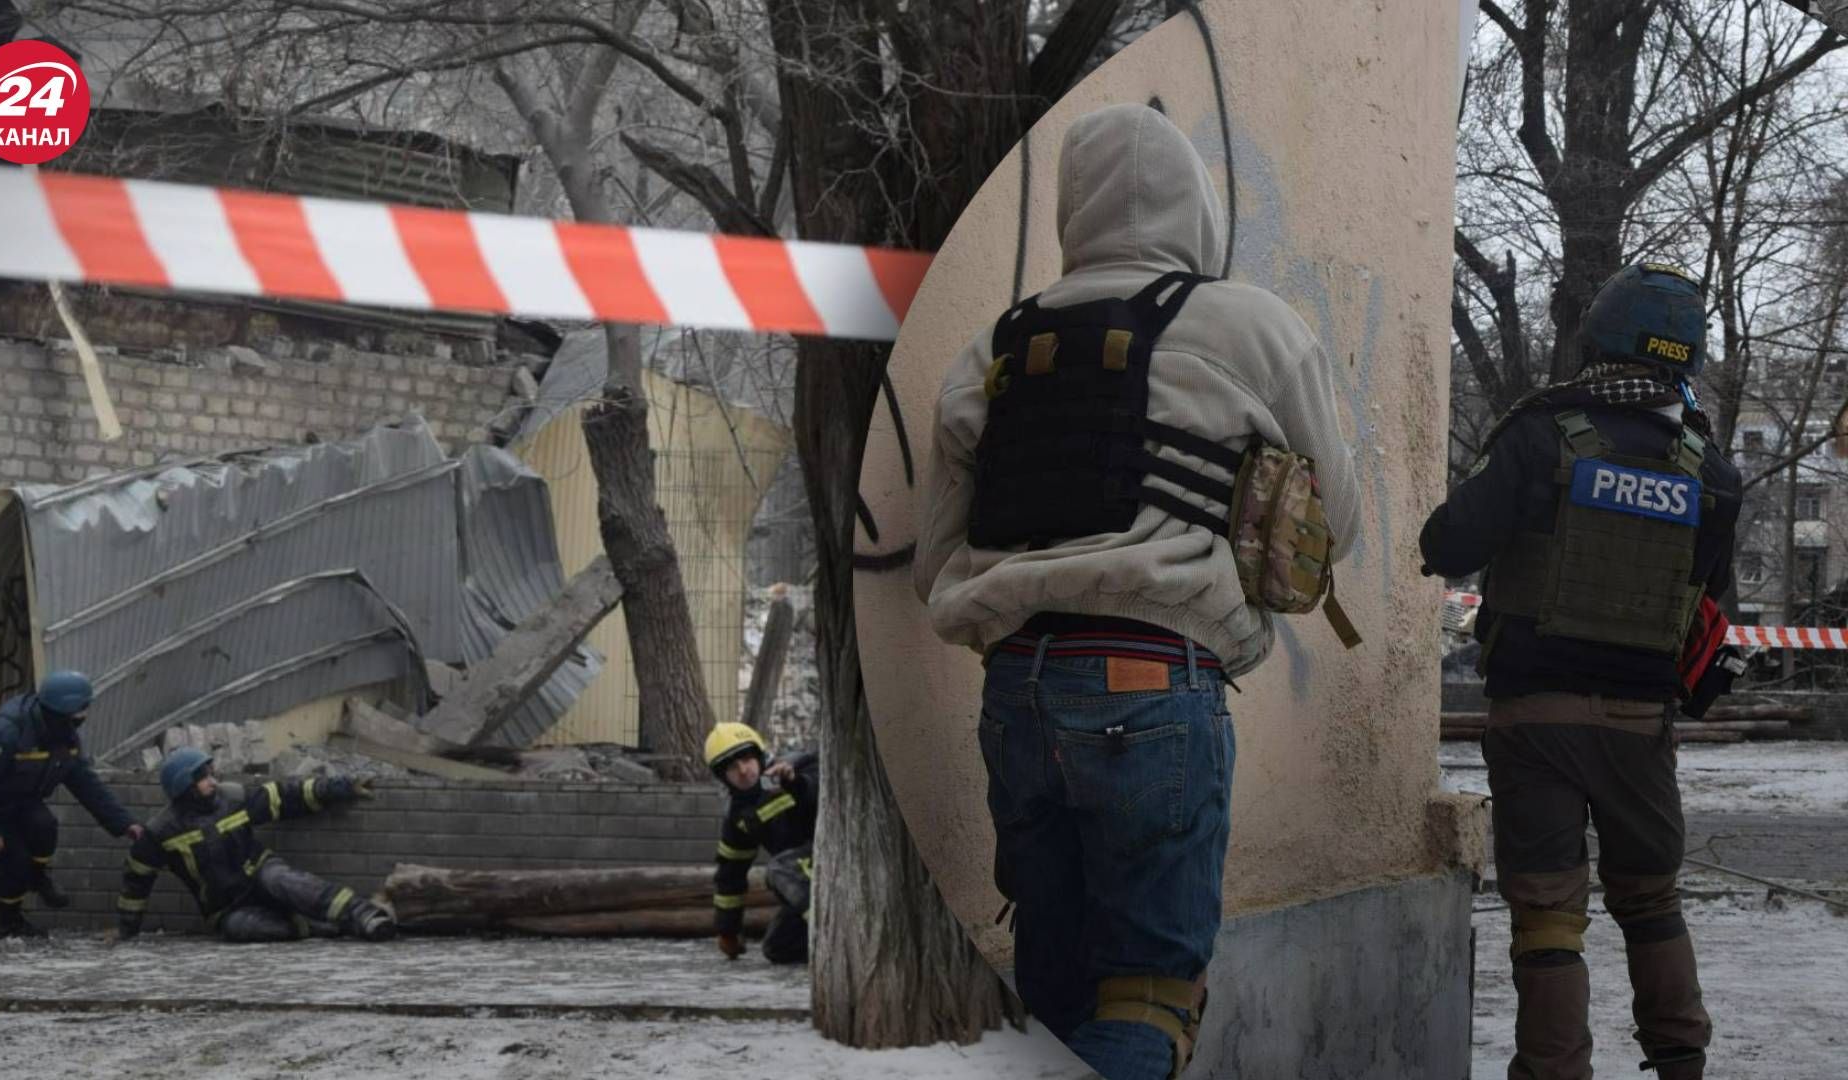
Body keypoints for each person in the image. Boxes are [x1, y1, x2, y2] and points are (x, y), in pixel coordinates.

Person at [913, 103, 1361, 1080]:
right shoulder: (1253, 326)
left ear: (1071, 209)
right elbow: (1339, 520)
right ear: (1193, 203)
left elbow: (933, 558)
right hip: (1154, 685)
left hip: (1017, 691)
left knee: (1053, 985)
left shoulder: (993, 347)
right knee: (1149, 995)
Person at [1419, 262, 1741, 1080]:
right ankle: (1682, 1063)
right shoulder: (1711, 472)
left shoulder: (1538, 434)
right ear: (1685, 357)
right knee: (1652, 899)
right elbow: (1709, 605)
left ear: (1597, 339)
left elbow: (1448, 544)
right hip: (1641, 727)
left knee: (1549, 915)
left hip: (1535, 720)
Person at [116, 747, 396, 943]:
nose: (213, 781)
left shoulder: (233, 798)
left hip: (261, 873)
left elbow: (285, 797)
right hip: (227, 908)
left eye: (211, 774)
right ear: (184, 785)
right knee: (239, 929)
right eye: (204, 777)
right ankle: (314, 927)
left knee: (283, 880)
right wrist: (127, 932)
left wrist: (339, 787)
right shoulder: (161, 832)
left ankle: (364, 915)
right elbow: (136, 880)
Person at [0, 670, 142, 939]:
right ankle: (9, 923)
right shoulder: (5, 732)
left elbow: (86, 784)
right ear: (62, 712)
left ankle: (37, 877)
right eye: (80, 710)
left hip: (18, 798)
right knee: (14, 859)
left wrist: (125, 823)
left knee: (45, 825)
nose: (84, 716)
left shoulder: (66, 737)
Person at [704, 722, 815, 965]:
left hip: (839, 865)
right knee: (779, 947)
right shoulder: (739, 816)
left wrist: (795, 783)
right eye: (732, 767)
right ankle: (827, 947)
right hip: (808, 880)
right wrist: (728, 931)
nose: (743, 771)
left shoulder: (798, 767)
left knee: (780, 869)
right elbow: (730, 876)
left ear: (759, 755)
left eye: (746, 759)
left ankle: (833, 930)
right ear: (722, 777)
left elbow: (818, 791)